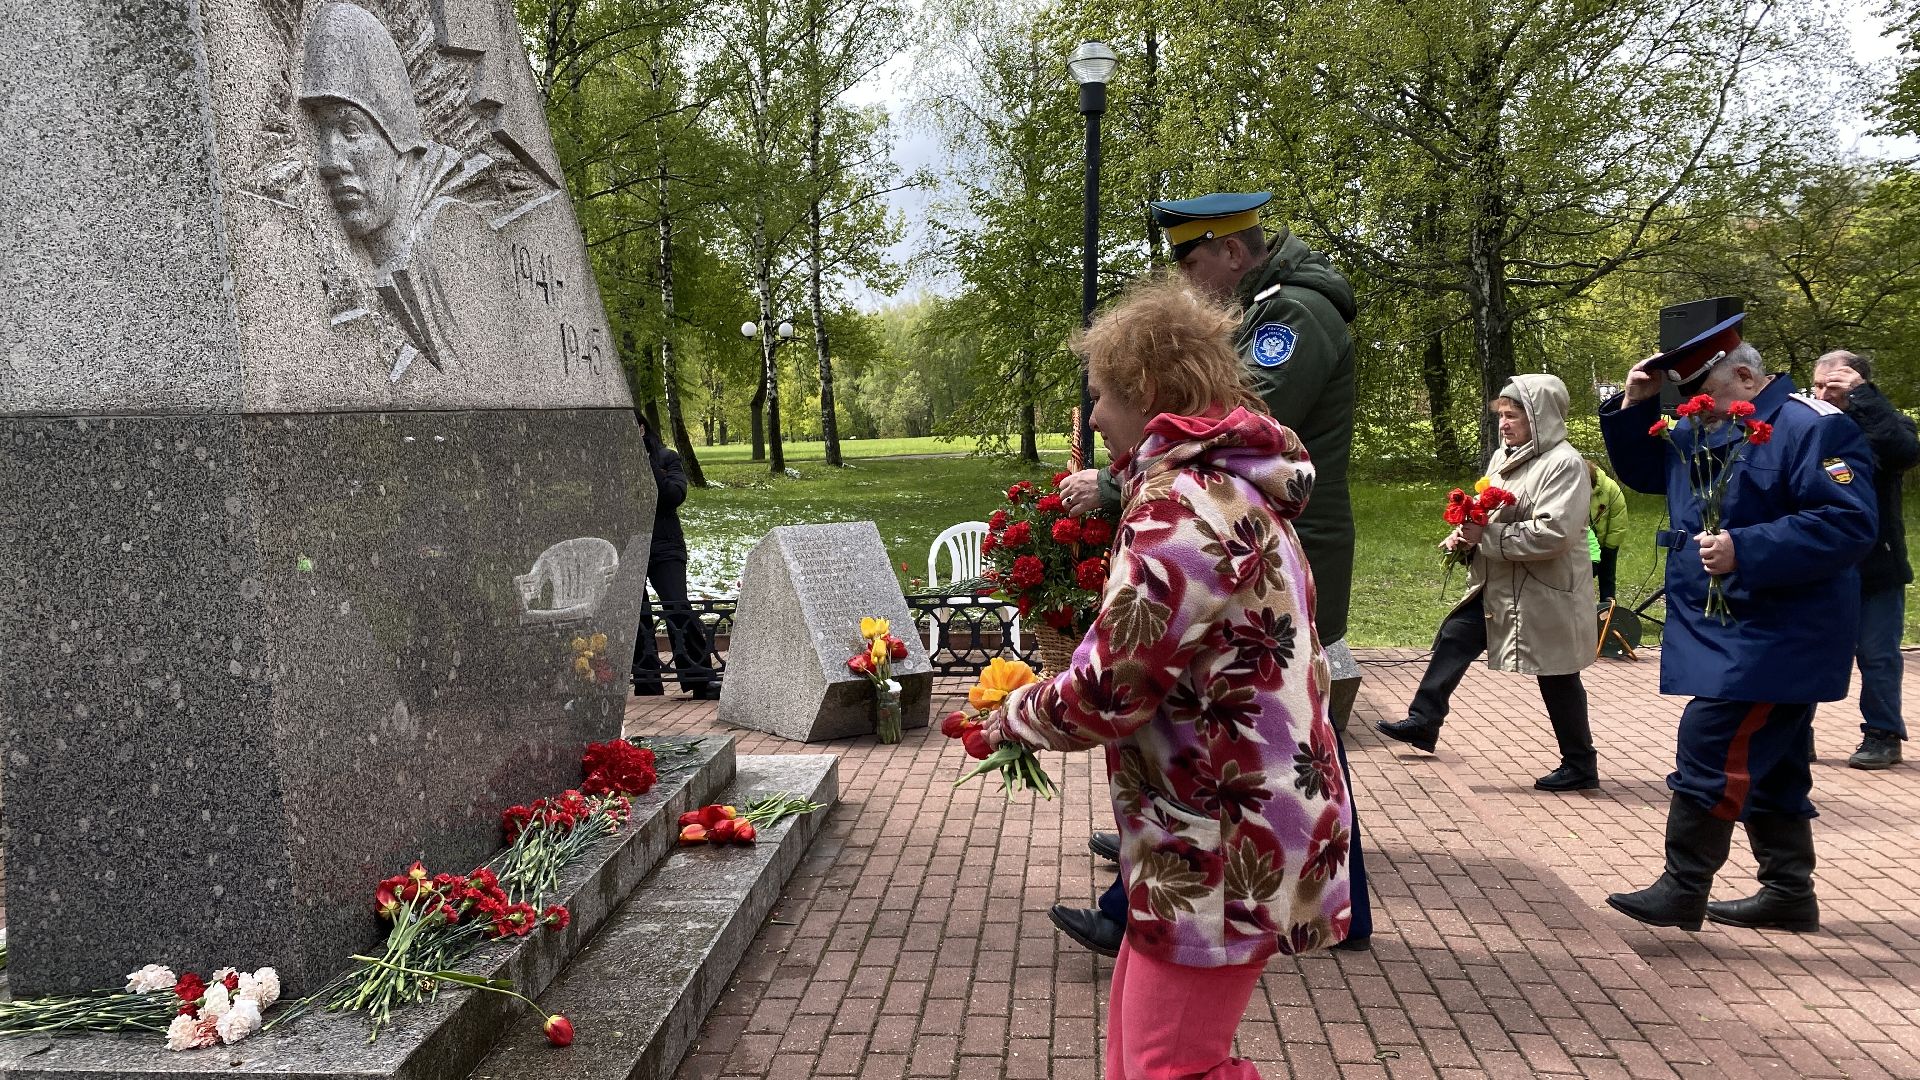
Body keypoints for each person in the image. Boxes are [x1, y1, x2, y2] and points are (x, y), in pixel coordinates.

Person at [983, 279, 1352, 1080]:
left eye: (1100, 396)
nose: (1092, 417)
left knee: (1164, 1070)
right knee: (1138, 1061)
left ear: (1145, 389)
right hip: (1208, 827)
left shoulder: (1180, 508)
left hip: (1219, 836)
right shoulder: (1224, 488)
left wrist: (1012, 715)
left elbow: (1112, 687)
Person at [1048, 192, 1374, 956]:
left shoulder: (1295, 316)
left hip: (1259, 546)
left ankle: (1146, 903)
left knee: (1249, 725)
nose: (1188, 281)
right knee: (1274, 728)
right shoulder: (1273, 308)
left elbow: (1226, 422)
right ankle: (1332, 899)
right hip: (1253, 538)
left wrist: (1116, 483)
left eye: (1193, 261)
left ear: (1231, 250)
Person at [1599, 315, 1876, 934]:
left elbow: (1848, 523)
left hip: (1781, 630)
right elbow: (1647, 473)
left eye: (1702, 393)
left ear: (1746, 377)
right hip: (1728, 622)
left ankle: (1684, 886)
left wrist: (1745, 549)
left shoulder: (1812, 427)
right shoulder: (1710, 423)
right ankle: (1788, 893)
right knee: (1774, 763)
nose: (1691, 409)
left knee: (1712, 739)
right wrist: (1634, 405)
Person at [1376, 376, 1602, 791]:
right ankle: (1424, 721)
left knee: (1557, 674)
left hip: (1545, 591)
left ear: (1540, 417)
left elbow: (1555, 534)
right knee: (1456, 634)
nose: (1504, 424)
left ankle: (1581, 765)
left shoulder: (1564, 464)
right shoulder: (1505, 456)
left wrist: (1487, 537)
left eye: (1513, 416)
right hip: (1500, 585)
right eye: (1501, 416)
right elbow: (1487, 511)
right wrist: (1464, 534)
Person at [1812, 351, 1915, 770]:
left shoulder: (1885, 423)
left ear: (1859, 385)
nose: (1824, 394)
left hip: (1877, 564)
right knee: (1809, 650)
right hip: (1819, 563)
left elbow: (1904, 452)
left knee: (1877, 654)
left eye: (1834, 386)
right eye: (1818, 385)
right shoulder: (1808, 426)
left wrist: (1864, 398)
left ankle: (1883, 735)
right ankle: (1795, 733)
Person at [631, 414, 717, 700]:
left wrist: (647, 463)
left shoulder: (667, 458)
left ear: (642, 428)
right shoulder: (613, 463)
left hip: (666, 546)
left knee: (677, 606)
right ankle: (647, 683)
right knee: (636, 613)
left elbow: (673, 496)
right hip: (630, 546)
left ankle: (700, 679)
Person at [1588, 460, 1629, 602]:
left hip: (1607, 543)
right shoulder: (1573, 487)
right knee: (1583, 579)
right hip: (1585, 545)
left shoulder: (1611, 488)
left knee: (1607, 578)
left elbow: (1619, 520)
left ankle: (1608, 610)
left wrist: (1610, 546)